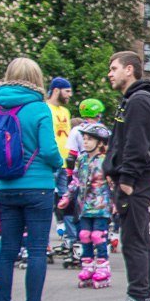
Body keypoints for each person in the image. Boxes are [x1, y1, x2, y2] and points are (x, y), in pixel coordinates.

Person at [0, 58, 63, 301]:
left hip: (6, 186)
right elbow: (49, 150)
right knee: (37, 250)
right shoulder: (39, 108)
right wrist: (59, 164)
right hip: (37, 186)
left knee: (8, 250)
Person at [103, 51, 150, 301]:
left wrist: (126, 181)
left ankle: (138, 300)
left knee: (133, 240)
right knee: (139, 237)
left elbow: (136, 144)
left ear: (129, 69)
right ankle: (143, 297)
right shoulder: (135, 99)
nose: (110, 74)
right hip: (138, 180)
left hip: (135, 182)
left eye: (114, 68)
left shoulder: (138, 101)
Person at [57, 123, 113, 289]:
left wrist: (116, 202)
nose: (86, 142)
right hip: (84, 206)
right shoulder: (81, 159)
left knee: (98, 236)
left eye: (90, 139)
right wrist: (67, 197)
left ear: (101, 142)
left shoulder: (105, 160)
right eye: (85, 139)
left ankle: (103, 267)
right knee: (84, 235)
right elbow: (75, 180)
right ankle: (87, 266)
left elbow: (113, 183)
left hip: (101, 205)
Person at [48, 77, 77, 251]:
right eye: (67, 91)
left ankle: (71, 239)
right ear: (56, 90)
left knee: (67, 201)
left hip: (65, 164)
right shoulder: (45, 108)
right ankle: (44, 243)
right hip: (51, 163)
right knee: (47, 202)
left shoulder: (65, 112)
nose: (69, 95)